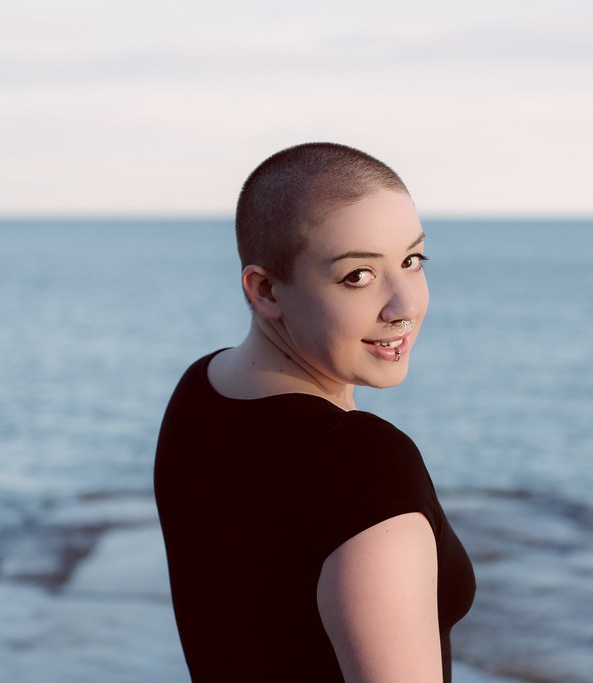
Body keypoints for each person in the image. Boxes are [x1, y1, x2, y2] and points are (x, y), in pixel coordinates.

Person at [154, 142, 476, 682]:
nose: (406, 306)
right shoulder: (364, 465)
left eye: (411, 261)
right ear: (265, 290)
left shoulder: (201, 389)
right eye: (358, 276)